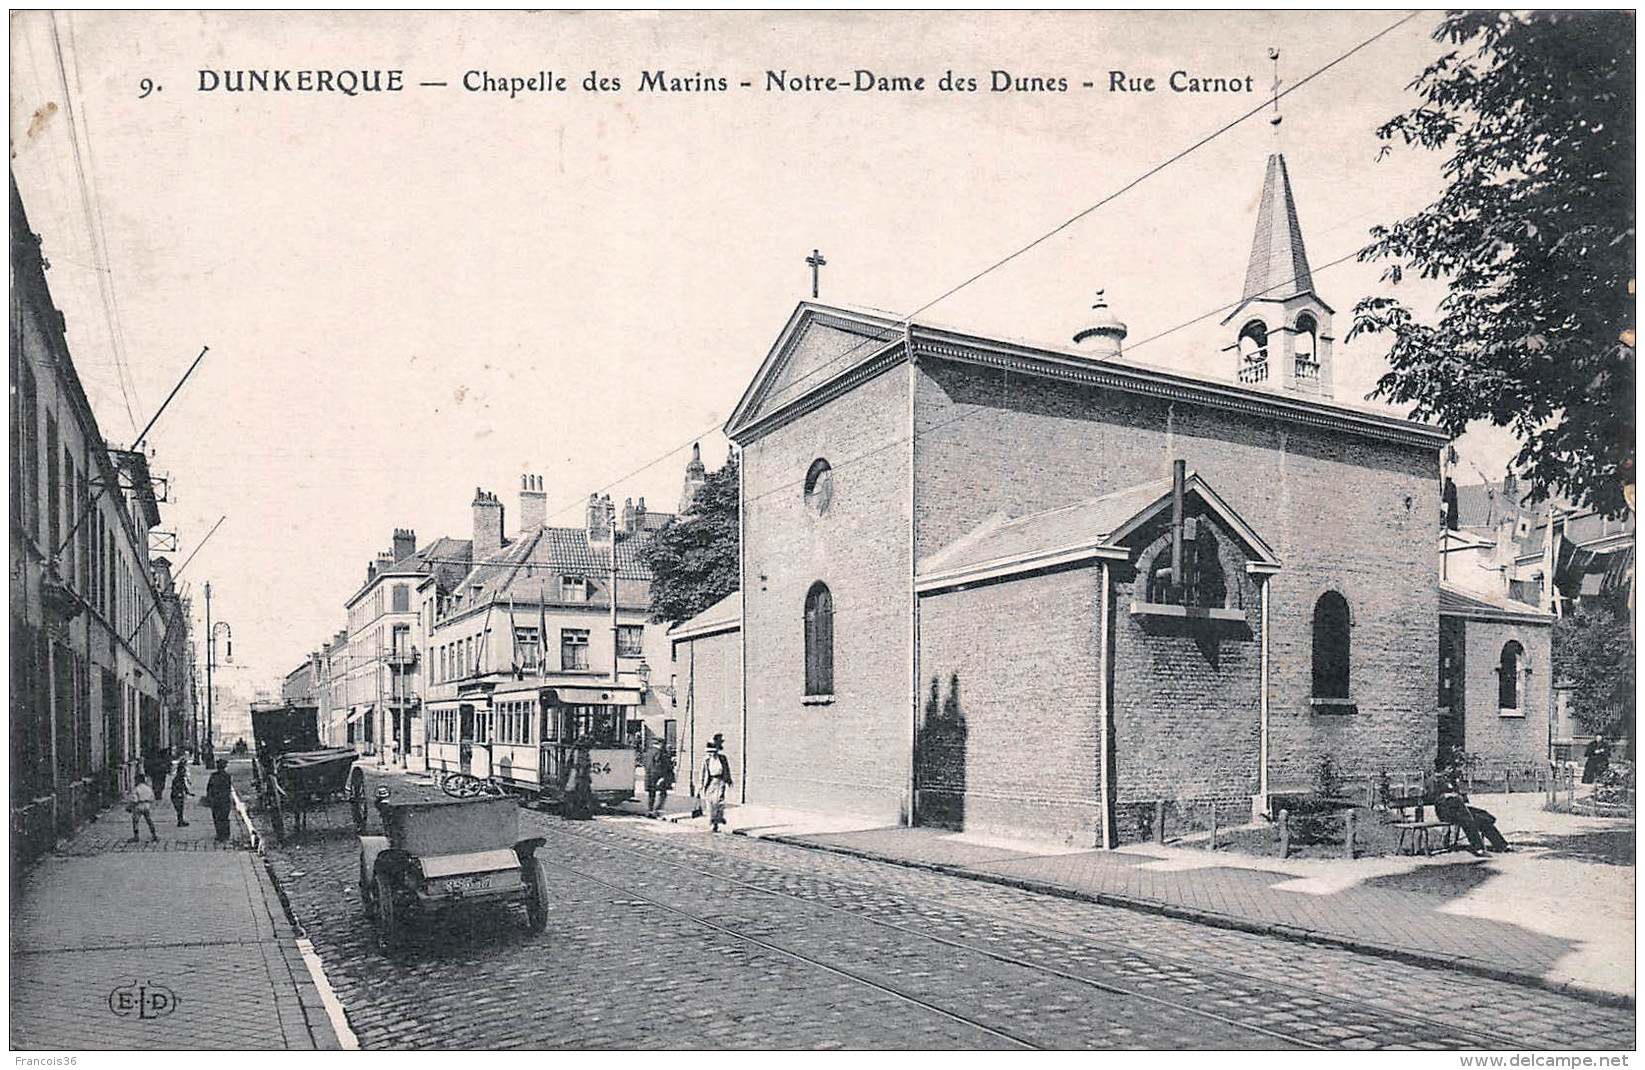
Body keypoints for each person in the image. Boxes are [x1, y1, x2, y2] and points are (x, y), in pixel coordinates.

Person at [1433, 772, 1510, 856]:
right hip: (1445, 811)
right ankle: (1478, 848)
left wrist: (1458, 795)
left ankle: (1500, 845)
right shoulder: (1434, 780)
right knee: (1467, 820)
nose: (1452, 769)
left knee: (1481, 816)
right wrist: (1446, 796)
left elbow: (1462, 797)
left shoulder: (1451, 780)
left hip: (1458, 808)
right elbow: (1431, 797)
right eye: (1449, 767)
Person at [699, 734, 733, 833]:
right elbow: (703, 772)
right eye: (710, 752)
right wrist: (701, 785)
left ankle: (717, 821)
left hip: (720, 781)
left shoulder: (722, 758)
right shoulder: (706, 760)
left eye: (714, 752)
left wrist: (729, 780)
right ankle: (711, 822)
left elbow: (727, 769)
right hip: (710, 782)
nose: (712, 754)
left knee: (719, 802)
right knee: (710, 803)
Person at [561, 739, 594, 821]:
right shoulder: (582, 754)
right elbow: (583, 766)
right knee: (580, 796)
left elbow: (569, 764)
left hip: (575, 777)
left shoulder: (575, 752)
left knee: (573, 796)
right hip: (579, 778)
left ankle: (570, 813)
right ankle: (578, 814)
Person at [644, 740, 675, 818]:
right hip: (657, 777)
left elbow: (645, 764)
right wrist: (661, 777)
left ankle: (650, 810)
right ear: (659, 744)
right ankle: (656, 811)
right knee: (663, 793)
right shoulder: (659, 753)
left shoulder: (648, 752)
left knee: (651, 794)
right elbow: (658, 766)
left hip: (648, 776)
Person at [206, 758, 234, 843]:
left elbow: (209, 788)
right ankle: (226, 834)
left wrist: (209, 798)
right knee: (225, 817)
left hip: (216, 800)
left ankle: (220, 834)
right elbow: (228, 789)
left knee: (217, 818)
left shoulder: (213, 776)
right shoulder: (227, 776)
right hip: (224, 800)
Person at [128, 775, 158, 843]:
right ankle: (154, 835)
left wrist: (129, 807)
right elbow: (152, 798)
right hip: (147, 805)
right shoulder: (148, 788)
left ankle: (136, 836)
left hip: (138, 806)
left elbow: (134, 800)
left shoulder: (137, 789)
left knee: (135, 821)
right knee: (149, 820)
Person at [170, 756, 194, 827]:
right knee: (179, 809)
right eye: (183, 771)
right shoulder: (178, 779)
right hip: (177, 795)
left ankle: (181, 821)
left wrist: (188, 793)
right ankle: (180, 821)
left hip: (178, 794)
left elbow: (184, 787)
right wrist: (180, 793)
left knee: (180, 809)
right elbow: (176, 787)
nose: (184, 772)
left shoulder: (180, 778)